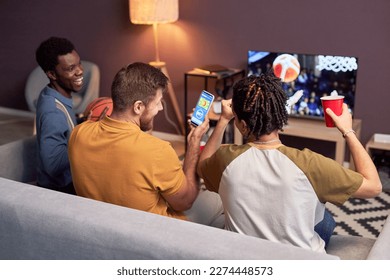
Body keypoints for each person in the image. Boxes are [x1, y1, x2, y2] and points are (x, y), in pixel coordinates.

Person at [197, 73, 382, 253]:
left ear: (243, 125)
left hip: (246, 257)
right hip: (300, 262)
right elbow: (373, 186)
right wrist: (348, 131)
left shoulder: (224, 159)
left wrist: (223, 120)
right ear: (281, 115)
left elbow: (202, 164)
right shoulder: (311, 164)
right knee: (325, 218)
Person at [68, 62, 224, 227]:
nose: (160, 109)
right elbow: (185, 202)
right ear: (138, 107)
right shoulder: (158, 151)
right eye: (158, 102)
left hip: (100, 224)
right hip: (154, 231)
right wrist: (194, 142)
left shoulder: (78, 134)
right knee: (220, 196)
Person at [34, 36, 84, 194]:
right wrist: (88, 136)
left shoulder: (52, 93)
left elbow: (65, 128)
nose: (80, 71)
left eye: (79, 64)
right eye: (70, 69)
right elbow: (53, 165)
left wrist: (83, 121)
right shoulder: (53, 112)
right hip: (61, 189)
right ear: (52, 74)